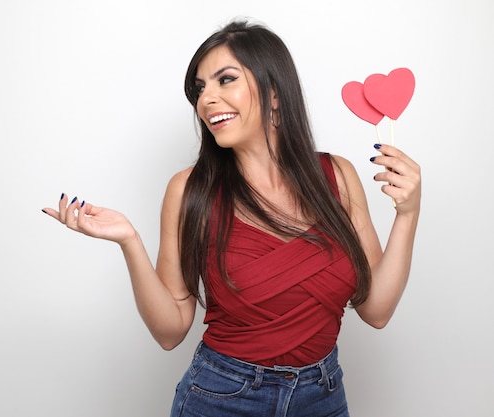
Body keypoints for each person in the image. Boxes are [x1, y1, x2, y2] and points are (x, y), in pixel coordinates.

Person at [42, 19, 421, 417]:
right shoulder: (189, 189)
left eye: (225, 80)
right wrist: (129, 241)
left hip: (322, 396)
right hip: (223, 398)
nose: (206, 99)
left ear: (274, 93)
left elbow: (376, 311)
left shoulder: (338, 176)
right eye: (199, 89)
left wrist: (407, 214)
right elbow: (170, 332)